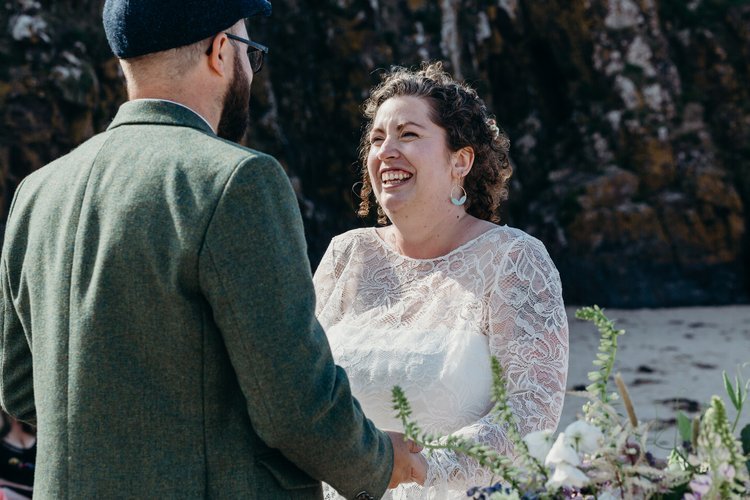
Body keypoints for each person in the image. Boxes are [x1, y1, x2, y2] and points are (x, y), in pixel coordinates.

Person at [0, 0, 426, 498]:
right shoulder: (236, 181)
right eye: (251, 51)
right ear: (222, 51)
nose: (250, 68)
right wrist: (379, 459)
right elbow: (294, 404)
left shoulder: (38, 191)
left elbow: (20, 388)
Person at [313, 62, 569, 499]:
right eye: (377, 139)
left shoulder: (514, 259)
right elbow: (303, 391)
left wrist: (410, 469)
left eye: (408, 134)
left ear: (460, 160)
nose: (386, 151)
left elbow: (528, 417)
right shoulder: (346, 255)